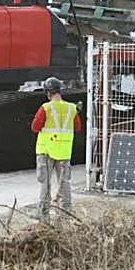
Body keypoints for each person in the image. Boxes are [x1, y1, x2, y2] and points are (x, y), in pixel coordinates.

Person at [30, 76, 81, 222]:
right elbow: (78, 127)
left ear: (47, 93)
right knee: (64, 183)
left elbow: (35, 127)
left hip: (46, 150)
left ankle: (43, 213)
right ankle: (65, 213)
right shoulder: (72, 108)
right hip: (64, 151)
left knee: (45, 183)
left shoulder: (45, 108)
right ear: (59, 90)